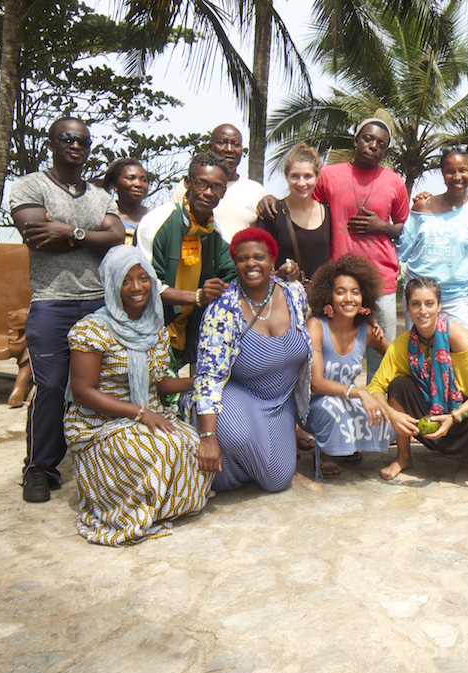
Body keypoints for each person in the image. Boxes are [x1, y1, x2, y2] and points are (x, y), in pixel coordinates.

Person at [9, 116, 126, 503]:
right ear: (52, 143)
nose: (75, 145)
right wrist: (86, 237)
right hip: (51, 301)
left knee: (99, 385)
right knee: (53, 385)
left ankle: (102, 458)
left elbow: (114, 239)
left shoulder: (100, 195)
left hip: (97, 302)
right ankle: (39, 467)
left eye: (82, 140)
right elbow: (39, 238)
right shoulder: (30, 185)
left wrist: (70, 231)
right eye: (66, 138)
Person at [65, 246, 211, 545]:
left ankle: (160, 509)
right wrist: (139, 413)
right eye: (126, 280)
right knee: (160, 451)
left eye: (143, 278)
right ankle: (125, 508)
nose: (136, 288)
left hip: (145, 413)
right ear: (111, 284)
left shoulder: (155, 329)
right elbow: (82, 392)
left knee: (191, 443)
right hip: (98, 424)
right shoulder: (92, 329)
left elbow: (158, 385)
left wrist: (197, 381)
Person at [261, 118, 409, 379]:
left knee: (382, 356)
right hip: (339, 285)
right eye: (368, 139)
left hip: (383, 281)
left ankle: (379, 413)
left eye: (381, 144)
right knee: (337, 355)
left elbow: (405, 228)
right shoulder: (328, 175)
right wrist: (271, 199)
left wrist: (381, 226)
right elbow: (301, 202)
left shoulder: (395, 182)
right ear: (356, 140)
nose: (373, 145)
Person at [194, 228, 312, 493]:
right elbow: (209, 376)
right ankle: (214, 445)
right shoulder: (223, 307)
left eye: (259, 257)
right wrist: (209, 437)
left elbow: (321, 315)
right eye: (242, 258)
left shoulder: (294, 293)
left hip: (282, 403)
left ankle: (230, 467)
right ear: (234, 263)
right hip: (240, 393)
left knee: (278, 481)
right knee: (236, 436)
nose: (251, 264)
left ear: (272, 260)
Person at [367, 277, 468, 481]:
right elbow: (375, 387)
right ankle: (403, 457)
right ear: (408, 307)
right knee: (398, 386)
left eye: (429, 303)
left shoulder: (457, 336)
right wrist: (391, 414)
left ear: (439, 306)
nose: (423, 311)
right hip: (430, 414)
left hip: (461, 413)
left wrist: (455, 416)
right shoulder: (402, 345)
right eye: (416, 304)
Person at [137, 151, 238, 371]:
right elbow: (145, 286)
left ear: (224, 191)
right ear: (187, 183)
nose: (209, 193)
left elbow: (232, 276)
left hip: (192, 331)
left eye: (217, 187)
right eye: (201, 183)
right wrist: (198, 296)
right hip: (152, 329)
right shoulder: (156, 222)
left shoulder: (218, 232)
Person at [305, 256, 395, 478]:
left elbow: (395, 358)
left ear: (363, 296)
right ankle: (326, 454)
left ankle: (349, 447)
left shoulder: (366, 329)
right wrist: (359, 393)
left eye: (355, 292)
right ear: (329, 296)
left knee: (386, 414)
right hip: (314, 403)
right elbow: (316, 384)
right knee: (332, 407)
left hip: (348, 398)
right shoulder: (316, 326)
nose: (349, 298)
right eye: (340, 292)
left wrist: (379, 392)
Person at [398, 147, 468, 333]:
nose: (457, 176)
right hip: (420, 297)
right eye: (450, 171)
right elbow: (403, 250)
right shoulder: (422, 206)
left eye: (463, 170)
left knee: (459, 357)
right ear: (442, 175)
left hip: (457, 299)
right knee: (419, 357)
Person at [170, 124, 266, 241]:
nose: (229, 149)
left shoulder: (256, 190)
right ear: (210, 147)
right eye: (222, 142)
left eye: (235, 144)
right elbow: (172, 223)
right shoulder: (190, 187)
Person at [254, 143, 332, 282]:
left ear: (317, 176)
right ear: (286, 176)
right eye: (295, 176)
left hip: (321, 299)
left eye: (307, 176)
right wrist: (279, 273)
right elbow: (256, 260)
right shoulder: (272, 213)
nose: (301, 183)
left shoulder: (328, 213)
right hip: (285, 297)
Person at [102, 158, 150, 245]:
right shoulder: (104, 216)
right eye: (131, 178)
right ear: (114, 184)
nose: (138, 184)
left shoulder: (156, 217)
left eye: (143, 180)